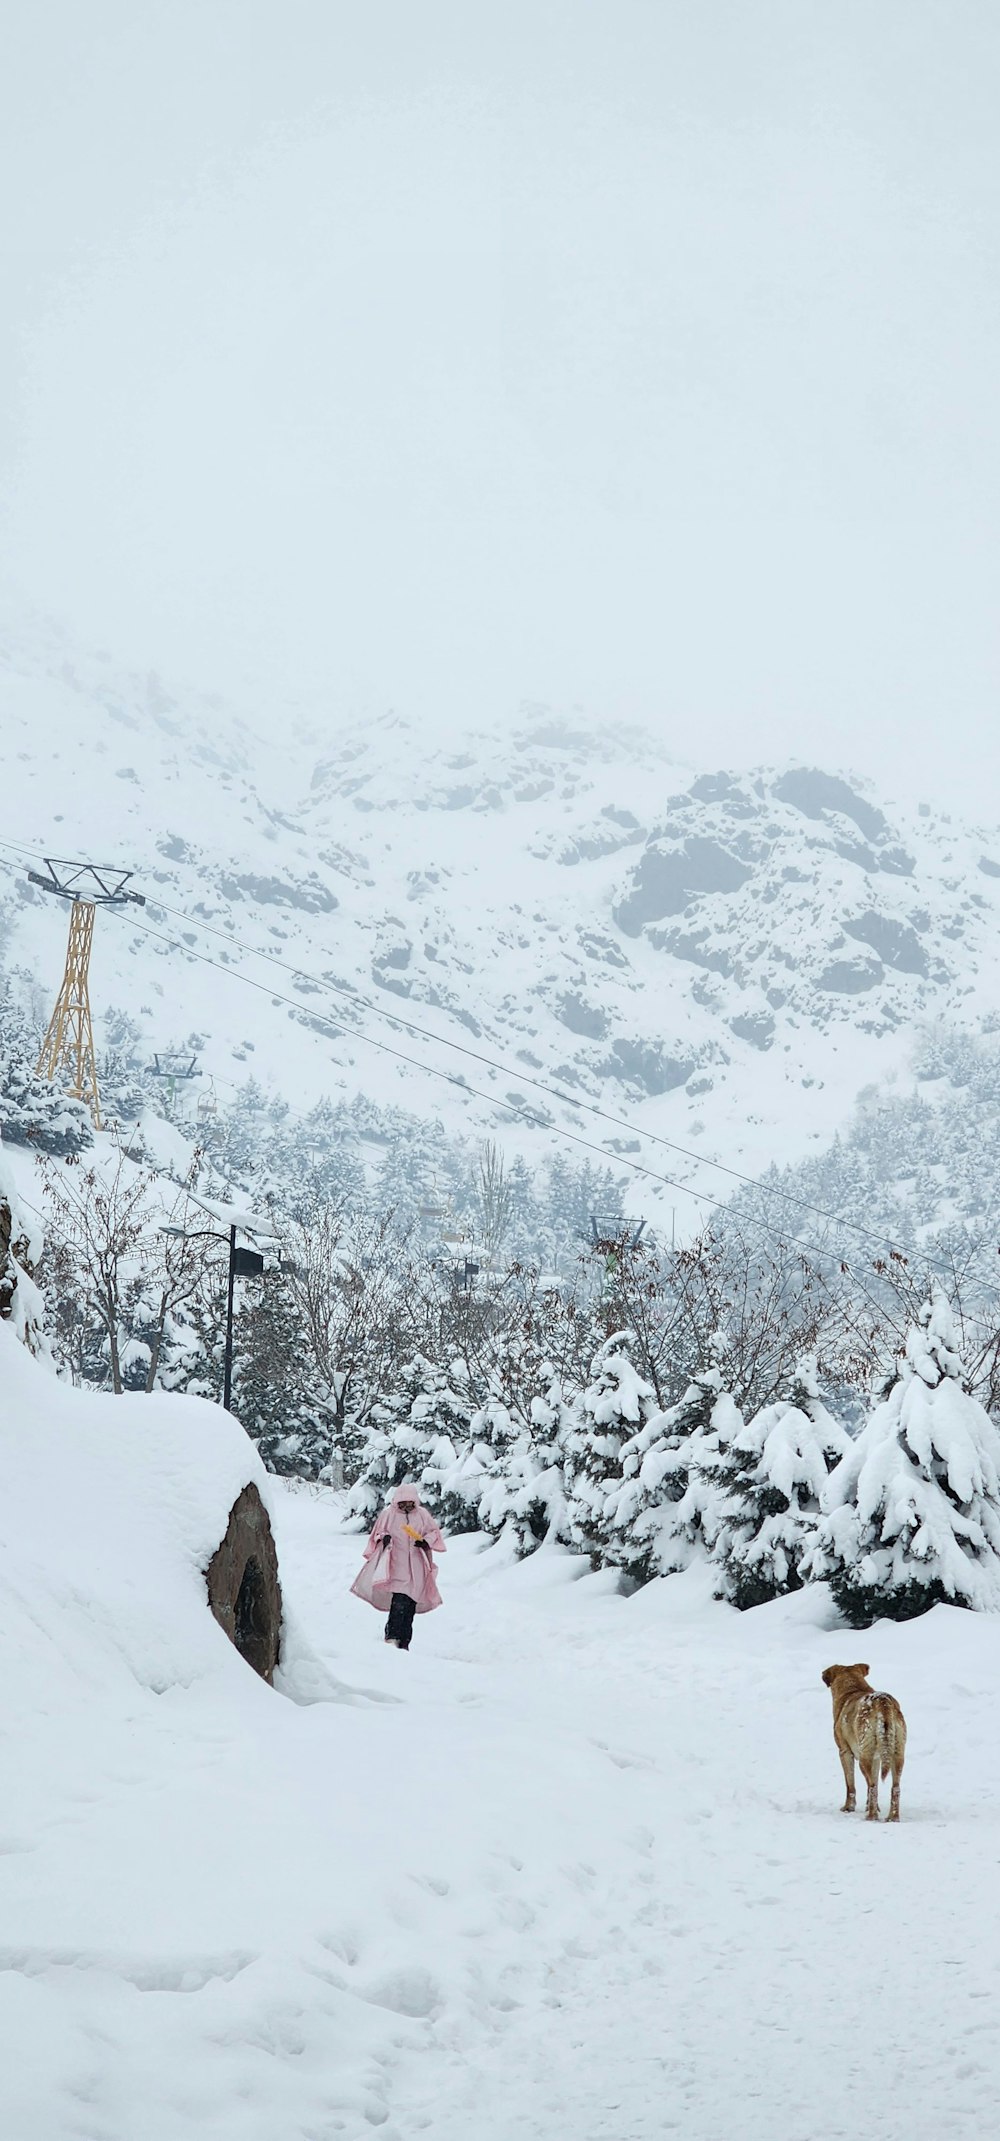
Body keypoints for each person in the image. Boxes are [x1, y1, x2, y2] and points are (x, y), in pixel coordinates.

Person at [350, 1481, 446, 1650]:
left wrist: (425, 1542)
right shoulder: (389, 1515)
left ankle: (404, 1642)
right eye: (403, 1503)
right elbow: (378, 1533)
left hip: (417, 1567)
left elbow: (434, 1533)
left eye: (410, 1503)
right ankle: (392, 1636)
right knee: (399, 1601)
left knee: (410, 1606)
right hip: (396, 1565)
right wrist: (384, 1538)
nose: (406, 1506)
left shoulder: (422, 1515)